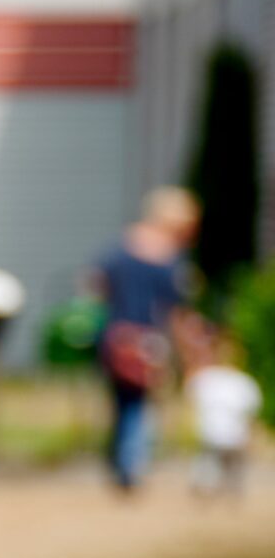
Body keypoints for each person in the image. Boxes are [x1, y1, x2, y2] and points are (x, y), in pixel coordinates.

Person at [89, 188, 201, 493]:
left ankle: (119, 458)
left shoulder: (121, 247)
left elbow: (95, 284)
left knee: (121, 400)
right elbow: (177, 308)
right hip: (149, 338)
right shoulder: (169, 258)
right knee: (140, 404)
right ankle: (130, 464)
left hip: (115, 333)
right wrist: (186, 351)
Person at [186, 326, 261, 498]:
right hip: (211, 434)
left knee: (230, 472)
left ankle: (227, 494)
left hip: (234, 436)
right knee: (209, 470)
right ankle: (207, 493)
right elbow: (190, 394)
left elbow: (250, 414)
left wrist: (251, 437)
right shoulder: (207, 377)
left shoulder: (243, 382)